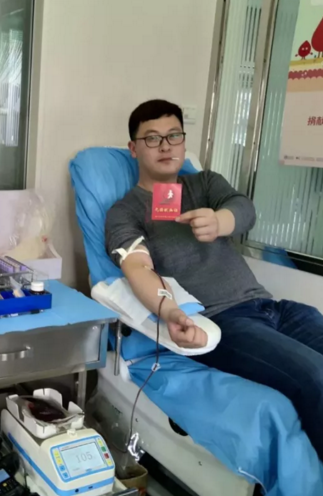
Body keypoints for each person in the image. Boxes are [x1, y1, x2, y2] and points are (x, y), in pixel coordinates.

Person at [105, 99, 323, 460]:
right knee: (315, 377)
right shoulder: (124, 212)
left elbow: (244, 209)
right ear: (133, 148)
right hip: (225, 322)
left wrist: (221, 221)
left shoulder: (205, 184)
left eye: (174, 136)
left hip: (274, 308)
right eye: (152, 138)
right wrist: (170, 312)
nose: (165, 146)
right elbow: (138, 268)